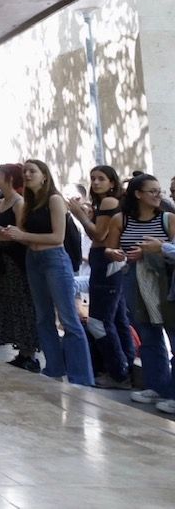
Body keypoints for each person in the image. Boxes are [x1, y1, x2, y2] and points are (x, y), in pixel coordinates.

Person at [0, 160, 93, 386]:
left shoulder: (54, 199)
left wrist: (22, 236)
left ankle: (81, 377)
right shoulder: (28, 202)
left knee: (68, 318)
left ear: (45, 176)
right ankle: (53, 368)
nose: (27, 175)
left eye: (32, 171)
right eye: (25, 172)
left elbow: (57, 238)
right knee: (43, 318)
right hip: (33, 259)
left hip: (53, 259)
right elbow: (21, 232)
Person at [106, 173, 175, 409]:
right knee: (147, 335)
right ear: (138, 194)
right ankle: (157, 386)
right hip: (133, 280)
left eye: (160, 191)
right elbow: (110, 248)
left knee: (172, 334)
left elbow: (171, 251)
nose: (159, 195)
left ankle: (173, 392)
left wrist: (152, 251)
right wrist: (115, 253)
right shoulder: (121, 219)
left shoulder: (168, 219)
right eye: (152, 191)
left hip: (164, 282)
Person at [71, 165, 133, 389]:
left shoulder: (109, 202)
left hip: (106, 261)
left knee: (99, 322)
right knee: (117, 319)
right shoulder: (105, 204)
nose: (95, 183)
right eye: (93, 178)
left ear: (112, 183)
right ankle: (124, 368)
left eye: (101, 179)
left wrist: (79, 216)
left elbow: (98, 235)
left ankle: (117, 373)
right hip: (106, 262)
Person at [0, 164, 40, 372]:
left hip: (15, 259)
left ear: (10, 178)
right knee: (7, 303)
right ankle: (21, 350)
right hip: (0, 255)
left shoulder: (18, 203)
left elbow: (19, 233)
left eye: (0, 174)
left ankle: (30, 352)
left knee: (22, 303)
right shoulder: (0, 203)